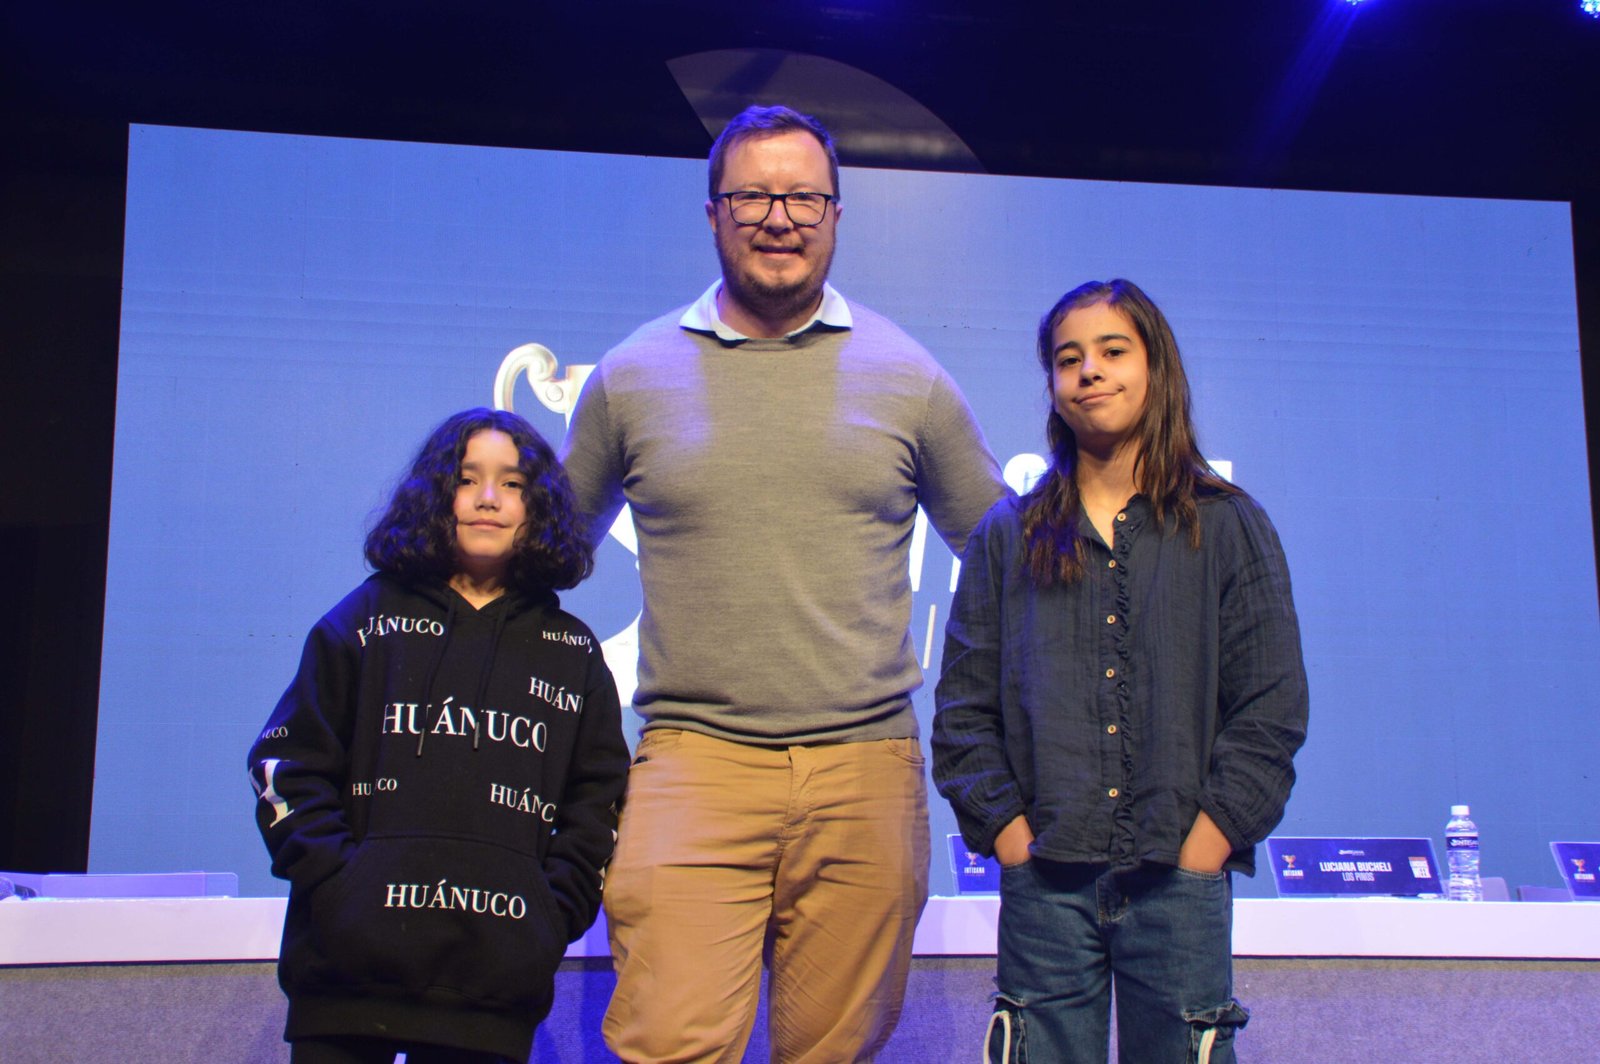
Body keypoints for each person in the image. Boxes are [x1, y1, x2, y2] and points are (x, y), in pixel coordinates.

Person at [559, 104, 1008, 1062]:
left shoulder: (910, 377)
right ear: (712, 213)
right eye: (752, 196)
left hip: (866, 768)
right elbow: (544, 559)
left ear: (836, 214)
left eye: (803, 197)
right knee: (668, 1045)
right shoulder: (630, 377)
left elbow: (1006, 556)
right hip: (694, 762)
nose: (779, 217)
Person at [932, 280, 1310, 1064]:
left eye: (1112, 351)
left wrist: (1206, 847)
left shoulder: (1227, 524)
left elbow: (1271, 707)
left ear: (1155, 366)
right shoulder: (1009, 534)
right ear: (1052, 385)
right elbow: (963, 715)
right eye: (1068, 359)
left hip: (1179, 883)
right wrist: (1013, 842)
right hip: (1046, 888)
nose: (1090, 372)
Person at [248, 408, 629, 1064]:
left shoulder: (573, 652)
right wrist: (340, 888)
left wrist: (551, 912)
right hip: (343, 983)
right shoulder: (363, 621)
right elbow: (286, 764)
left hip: (491, 996)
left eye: (512, 483)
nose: (488, 498)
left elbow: (597, 804)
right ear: (435, 495)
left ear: (537, 505)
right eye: (466, 479)